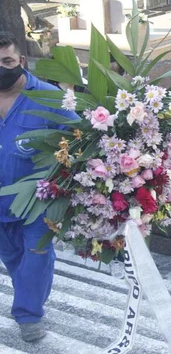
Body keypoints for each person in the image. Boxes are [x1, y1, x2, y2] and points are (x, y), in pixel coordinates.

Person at [0, 31, 78, 341]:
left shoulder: (49, 97)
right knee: (14, 259)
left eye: (6, 61)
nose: (2, 68)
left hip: (39, 201)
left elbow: (78, 136)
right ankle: (28, 298)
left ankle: (28, 315)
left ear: (21, 61)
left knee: (37, 255)